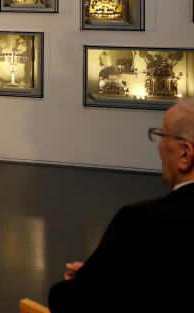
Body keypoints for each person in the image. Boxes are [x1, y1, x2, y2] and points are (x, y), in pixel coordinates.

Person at [47, 101, 194, 312]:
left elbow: (73, 302)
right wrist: (98, 276)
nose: (159, 146)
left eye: (162, 137)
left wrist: (83, 283)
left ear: (184, 154)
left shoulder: (140, 221)